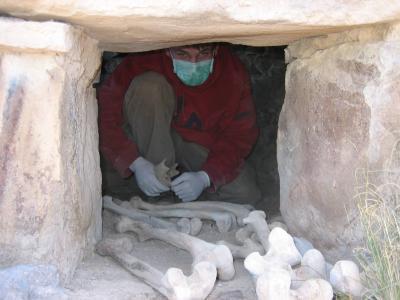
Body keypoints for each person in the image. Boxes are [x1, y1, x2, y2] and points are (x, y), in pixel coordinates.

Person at [97, 43, 261, 205]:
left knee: (245, 192)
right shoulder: (146, 58)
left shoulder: (232, 73)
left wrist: (205, 177)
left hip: (194, 146)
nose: (193, 63)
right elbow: (105, 110)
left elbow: (240, 135)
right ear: (168, 51)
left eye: (203, 54)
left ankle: (183, 193)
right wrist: (135, 163)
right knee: (149, 87)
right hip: (149, 138)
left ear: (216, 50)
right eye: (182, 54)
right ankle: (160, 195)